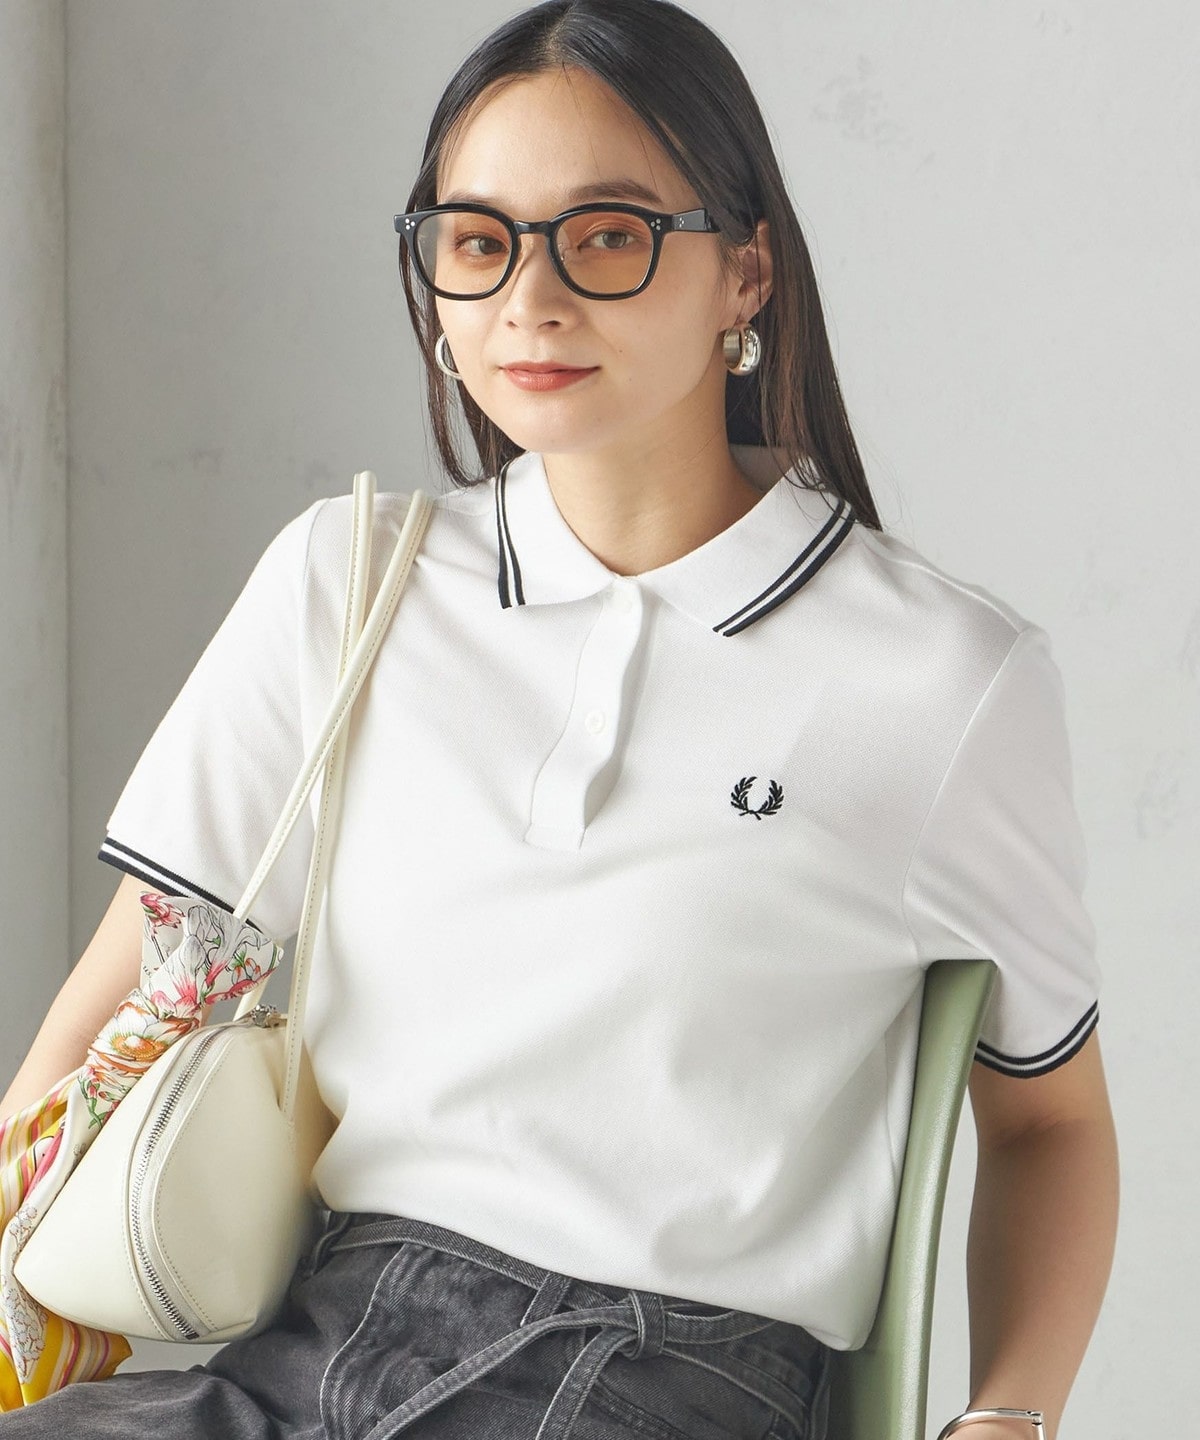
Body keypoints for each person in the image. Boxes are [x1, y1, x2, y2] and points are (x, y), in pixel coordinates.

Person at [0, 1, 1118, 1437]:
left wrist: (1009, 1417)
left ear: (746, 270)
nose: (530, 298)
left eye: (605, 235)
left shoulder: (942, 679)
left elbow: (1050, 1120)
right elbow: (103, 1024)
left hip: (665, 1376)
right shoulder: (348, 584)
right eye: (479, 243)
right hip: (310, 1339)